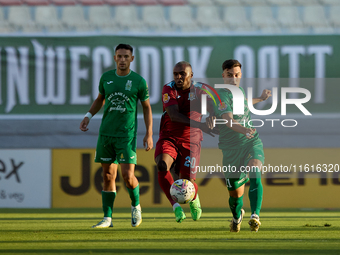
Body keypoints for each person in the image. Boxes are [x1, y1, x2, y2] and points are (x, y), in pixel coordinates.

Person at [79, 44, 153, 228]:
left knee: (128, 176)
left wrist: (149, 133)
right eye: (119, 56)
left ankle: (136, 206)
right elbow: (100, 99)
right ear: (114, 58)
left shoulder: (138, 81)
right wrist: (88, 116)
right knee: (107, 175)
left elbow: (146, 107)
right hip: (106, 134)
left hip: (126, 136)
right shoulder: (106, 78)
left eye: (126, 56)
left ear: (132, 59)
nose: (122, 60)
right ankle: (107, 218)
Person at [212, 59, 271, 232]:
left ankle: (255, 216)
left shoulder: (239, 91)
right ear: (223, 75)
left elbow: (244, 103)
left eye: (237, 75)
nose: (233, 79)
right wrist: (243, 129)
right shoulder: (221, 95)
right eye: (229, 75)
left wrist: (260, 98)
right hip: (231, 149)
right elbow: (229, 121)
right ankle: (237, 217)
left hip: (251, 141)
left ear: (240, 75)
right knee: (235, 196)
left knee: (255, 168)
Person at [154, 61, 216, 223]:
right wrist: (202, 124)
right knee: (161, 165)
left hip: (191, 140)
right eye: (176, 74)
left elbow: (216, 106)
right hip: (169, 136)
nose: (178, 77)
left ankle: (194, 199)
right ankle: (176, 206)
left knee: (187, 181)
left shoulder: (201, 89)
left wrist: (212, 116)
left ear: (191, 75)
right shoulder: (169, 88)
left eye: (182, 74)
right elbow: (174, 115)